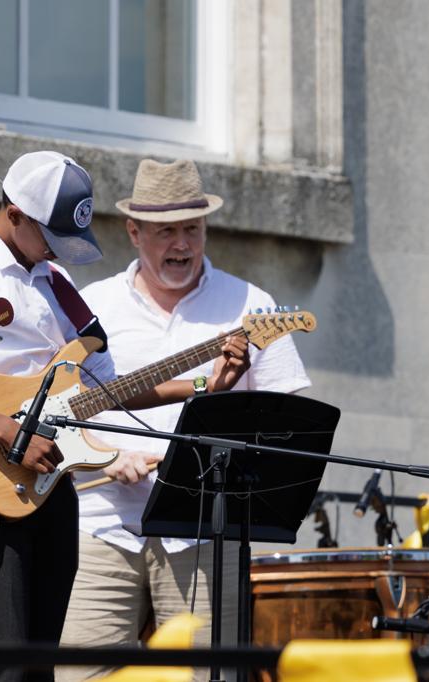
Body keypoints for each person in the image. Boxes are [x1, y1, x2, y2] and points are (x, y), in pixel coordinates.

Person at [0, 152, 246, 682]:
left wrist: (205, 384)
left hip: (52, 480)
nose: (55, 250)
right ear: (15, 214)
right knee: (3, 664)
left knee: (41, 663)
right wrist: (8, 431)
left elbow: (108, 389)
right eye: (50, 236)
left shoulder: (55, 281)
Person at [58, 158, 311, 681]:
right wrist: (106, 456)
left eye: (192, 229)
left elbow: (287, 423)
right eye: (166, 231)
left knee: (204, 677)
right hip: (98, 526)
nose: (182, 244)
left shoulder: (250, 304)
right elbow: (59, 408)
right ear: (134, 232)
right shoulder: (90, 305)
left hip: (203, 535)